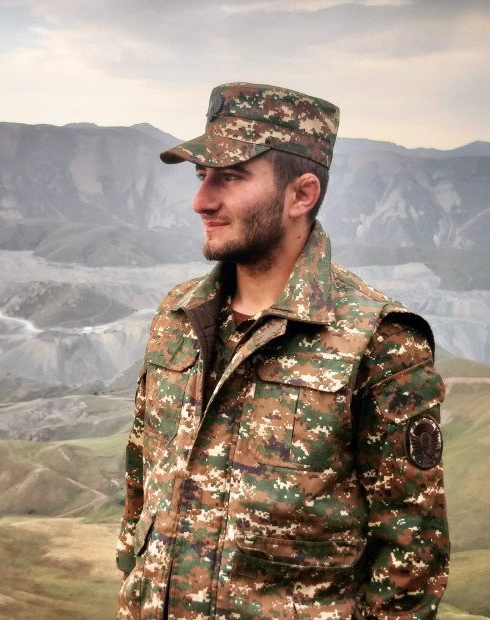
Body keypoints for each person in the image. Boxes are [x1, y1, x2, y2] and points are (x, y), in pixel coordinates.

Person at [116, 83, 449, 619]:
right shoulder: (177, 316)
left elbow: (411, 558)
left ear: (301, 195)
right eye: (202, 177)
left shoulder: (381, 341)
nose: (202, 201)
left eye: (230, 177)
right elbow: (142, 482)